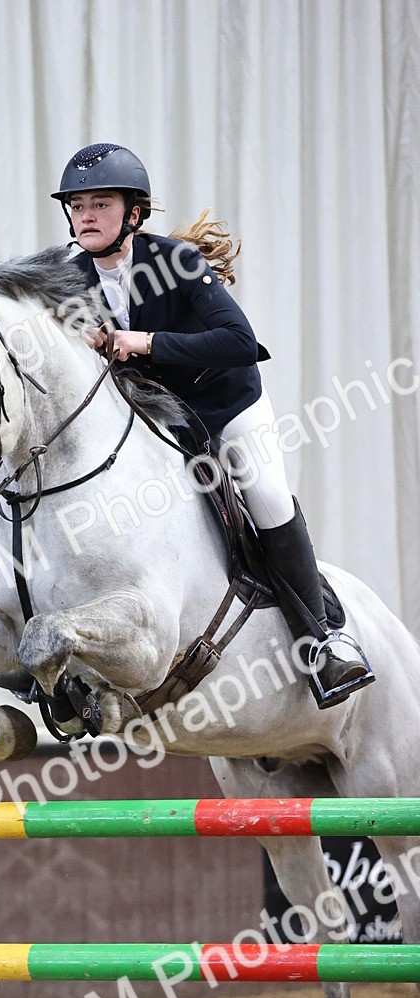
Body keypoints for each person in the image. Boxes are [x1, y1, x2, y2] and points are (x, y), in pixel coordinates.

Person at [51, 142, 373, 709]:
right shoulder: (67, 279)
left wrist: (145, 342)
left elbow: (239, 341)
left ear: (134, 214)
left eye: (101, 203)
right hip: (157, 420)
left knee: (267, 495)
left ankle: (324, 640)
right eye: (77, 205)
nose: (86, 216)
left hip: (226, 406)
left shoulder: (176, 261)